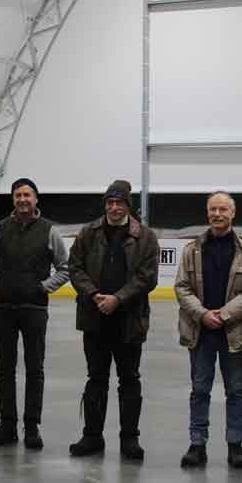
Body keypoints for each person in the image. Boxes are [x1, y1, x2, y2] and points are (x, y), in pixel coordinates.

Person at [67, 180, 158, 461]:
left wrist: (118, 299)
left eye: (120, 203)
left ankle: (130, 440)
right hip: (95, 319)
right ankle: (92, 436)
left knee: (129, 379)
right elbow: (75, 268)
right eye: (110, 203)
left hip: (129, 320)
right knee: (96, 378)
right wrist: (93, 295)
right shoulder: (88, 232)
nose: (114, 208)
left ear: (128, 206)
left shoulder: (145, 237)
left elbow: (148, 277)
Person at [174, 192, 242, 469]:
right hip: (200, 331)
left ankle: (235, 446)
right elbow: (181, 287)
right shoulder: (192, 249)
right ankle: (197, 444)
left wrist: (223, 315)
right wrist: (202, 315)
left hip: (233, 331)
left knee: (235, 390)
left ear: (233, 213)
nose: (217, 214)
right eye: (213, 209)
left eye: (223, 209)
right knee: (199, 390)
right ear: (207, 213)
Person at [0, 177, 70, 449]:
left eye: (27, 195)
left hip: (35, 310)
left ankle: (32, 426)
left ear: (35, 199)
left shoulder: (49, 231)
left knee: (35, 369)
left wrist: (43, 288)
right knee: (5, 369)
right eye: (18, 195)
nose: (22, 199)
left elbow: (65, 268)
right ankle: (7, 425)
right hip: (3, 310)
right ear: (13, 199)